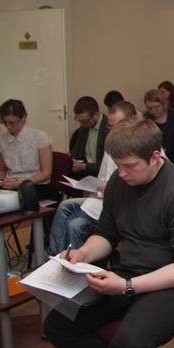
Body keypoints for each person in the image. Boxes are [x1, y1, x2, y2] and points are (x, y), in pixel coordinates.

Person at [43, 117, 174, 348]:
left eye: (129, 166)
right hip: (131, 273)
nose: (122, 173)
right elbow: (106, 234)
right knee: (58, 326)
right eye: (118, 165)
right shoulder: (120, 181)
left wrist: (126, 286)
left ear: (155, 157)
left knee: (129, 346)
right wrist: (82, 253)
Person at [48, 101, 138, 256]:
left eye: (117, 126)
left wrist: (105, 189)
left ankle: (56, 258)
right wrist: (94, 188)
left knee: (67, 211)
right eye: (110, 126)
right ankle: (64, 261)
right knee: (72, 222)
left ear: (132, 122)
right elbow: (103, 177)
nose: (112, 131)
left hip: (119, 204)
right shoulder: (112, 144)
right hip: (103, 198)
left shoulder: (138, 147)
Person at [0, 99, 54, 200]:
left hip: (34, 184)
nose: (8, 126)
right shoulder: (1, 139)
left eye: (12, 122)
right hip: (11, 183)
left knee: (12, 198)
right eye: (5, 122)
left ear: (23, 118)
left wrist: (20, 182)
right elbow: (2, 170)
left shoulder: (40, 136)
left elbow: (46, 174)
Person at [69, 96, 108, 178]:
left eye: (84, 121)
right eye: (79, 120)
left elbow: (107, 165)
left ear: (96, 115)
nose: (82, 124)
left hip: (101, 173)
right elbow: (76, 153)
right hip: (85, 171)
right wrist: (69, 159)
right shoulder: (84, 128)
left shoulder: (108, 128)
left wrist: (85, 166)